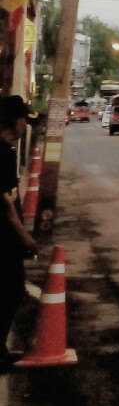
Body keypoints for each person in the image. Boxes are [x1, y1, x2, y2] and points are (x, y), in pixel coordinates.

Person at [1, 96, 40, 363]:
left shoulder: (7, 150)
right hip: (3, 236)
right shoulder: (2, 153)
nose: (25, 126)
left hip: (6, 234)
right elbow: (5, 204)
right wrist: (26, 238)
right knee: (11, 291)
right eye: (24, 120)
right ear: (15, 121)